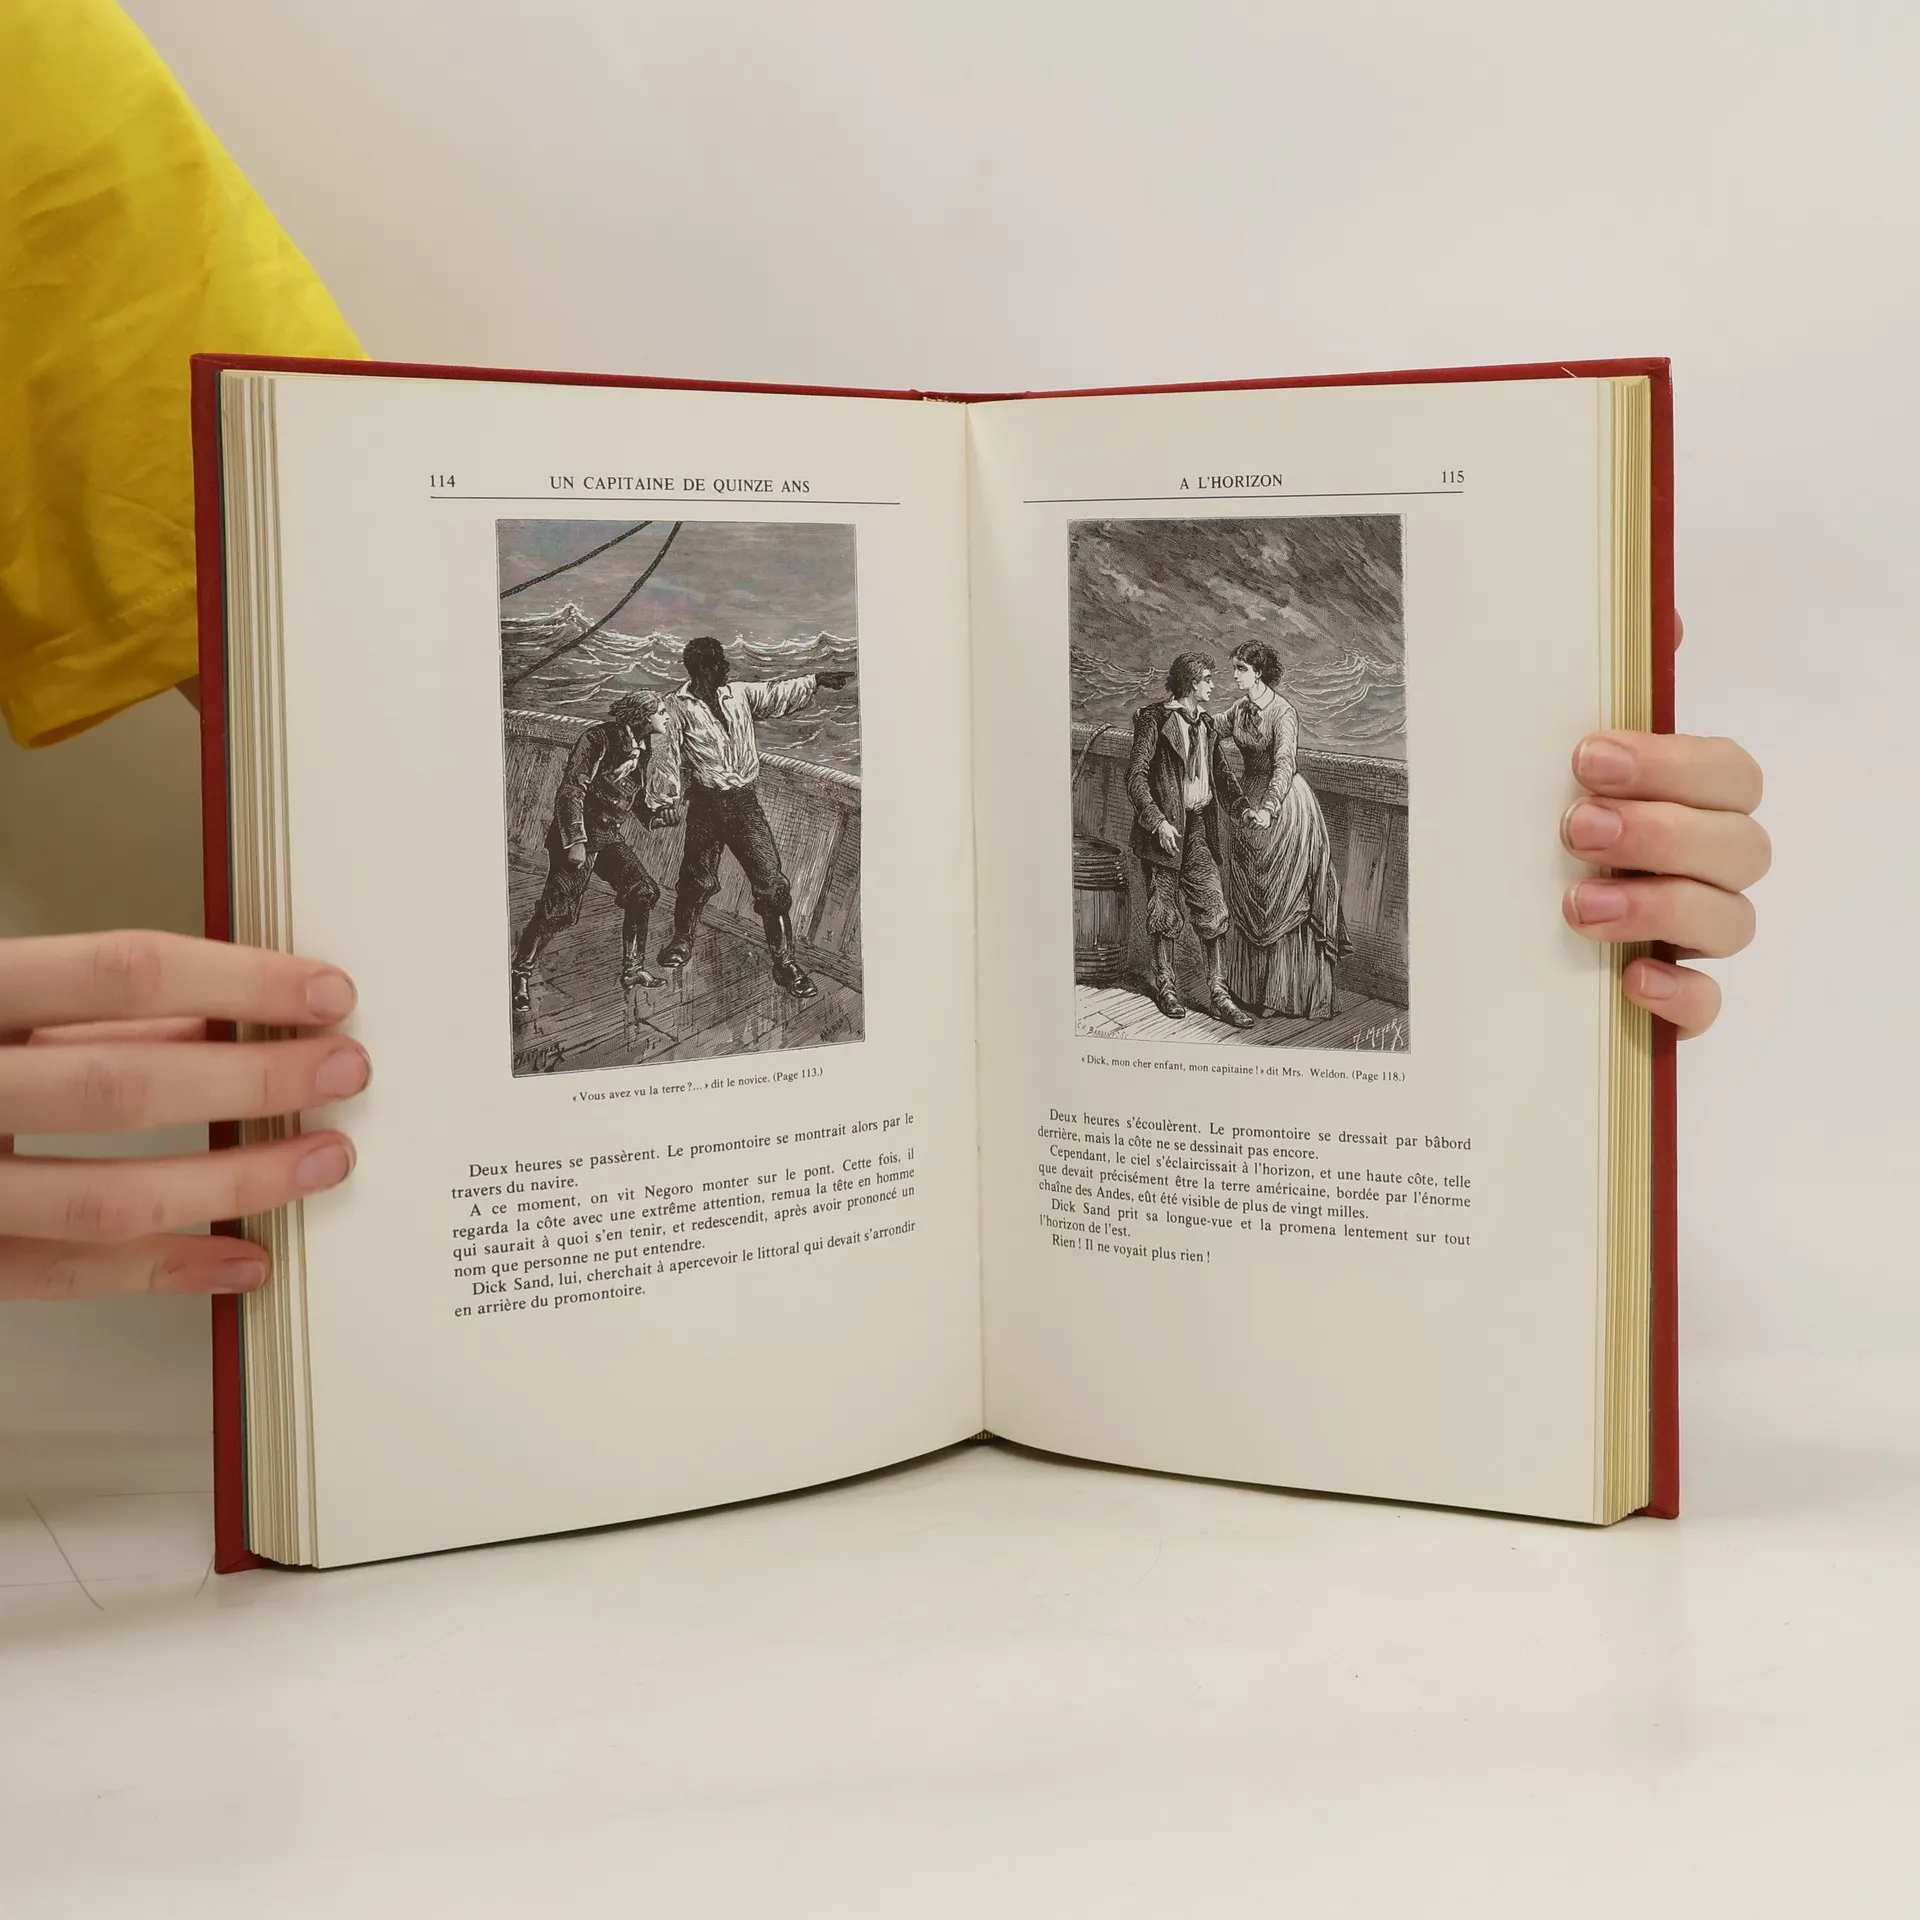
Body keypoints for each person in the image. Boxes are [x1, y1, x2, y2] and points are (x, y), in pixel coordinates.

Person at [0, 7, 1767, 1306]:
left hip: (837, 824)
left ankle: (763, 958)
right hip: (696, 843)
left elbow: (320, 653)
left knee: (756, 886)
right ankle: (655, 963)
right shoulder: (663, 720)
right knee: (660, 891)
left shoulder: (45, 102)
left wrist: (1545, 750)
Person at [654, 636, 853, 1002]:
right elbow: (665, 753)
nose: (727, 668)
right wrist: (665, 798)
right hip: (705, 803)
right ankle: (681, 941)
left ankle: (785, 962)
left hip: (743, 805)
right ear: (705, 669)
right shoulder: (674, 706)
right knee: (696, 878)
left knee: (771, 884)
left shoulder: (738, 694)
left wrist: (816, 680)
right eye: (720, 663)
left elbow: (776, 695)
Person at [509, 690, 678, 1016]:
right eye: (661, 711)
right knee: (559, 912)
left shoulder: (643, 748)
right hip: (578, 835)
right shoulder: (597, 738)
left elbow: (633, 798)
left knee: (643, 890)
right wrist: (575, 840)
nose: (667, 716)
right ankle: (520, 972)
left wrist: (657, 817)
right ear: (643, 716)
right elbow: (572, 789)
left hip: (607, 836)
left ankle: (633, 969)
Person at [1219, 640, 1350, 1020]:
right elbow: (1210, 729)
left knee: (1285, 894)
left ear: (1258, 673)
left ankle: (1285, 995)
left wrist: (1270, 807)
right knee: (1252, 893)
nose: (1235, 675)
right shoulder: (1239, 710)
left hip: (1285, 809)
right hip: (1248, 804)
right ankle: (1250, 990)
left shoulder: (1283, 712)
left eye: (1241, 669)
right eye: (1234, 668)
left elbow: (1284, 764)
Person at [1126, 651, 1256, 1027]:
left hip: (1198, 828)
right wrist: (1158, 822)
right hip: (1165, 831)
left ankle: (1219, 993)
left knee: (1214, 909)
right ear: (1191, 683)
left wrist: (1243, 809)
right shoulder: (1154, 719)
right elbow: (1136, 777)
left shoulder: (1208, 725)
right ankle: (1166, 986)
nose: (1213, 685)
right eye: (1208, 679)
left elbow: (1222, 776)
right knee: (1164, 912)